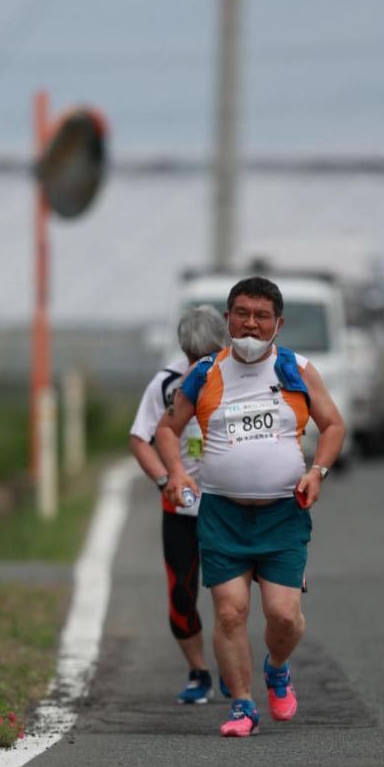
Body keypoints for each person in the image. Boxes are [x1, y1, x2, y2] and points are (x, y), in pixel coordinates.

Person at [155, 275, 345, 736]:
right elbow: (166, 429)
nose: (251, 325)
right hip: (222, 515)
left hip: (283, 512)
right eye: (242, 314)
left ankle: (276, 667)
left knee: (284, 616)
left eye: (262, 317)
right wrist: (176, 473)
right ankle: (242, 705)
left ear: (278, 324)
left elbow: (334, 425)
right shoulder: (205, 374)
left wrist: (316, 471)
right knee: (230, 612)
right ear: (227, 319)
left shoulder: (297, 369)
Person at [129, 304, 229, 704]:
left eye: (205, 356)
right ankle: (198, 671)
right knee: (182, 595)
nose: (197, 364)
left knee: (230, 599)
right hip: (182, 510)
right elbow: (140, 439)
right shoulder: (167, 382)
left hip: (229, 507)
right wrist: (164, 479)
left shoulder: (240, 378)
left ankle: (232, 669)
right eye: (191, 356)